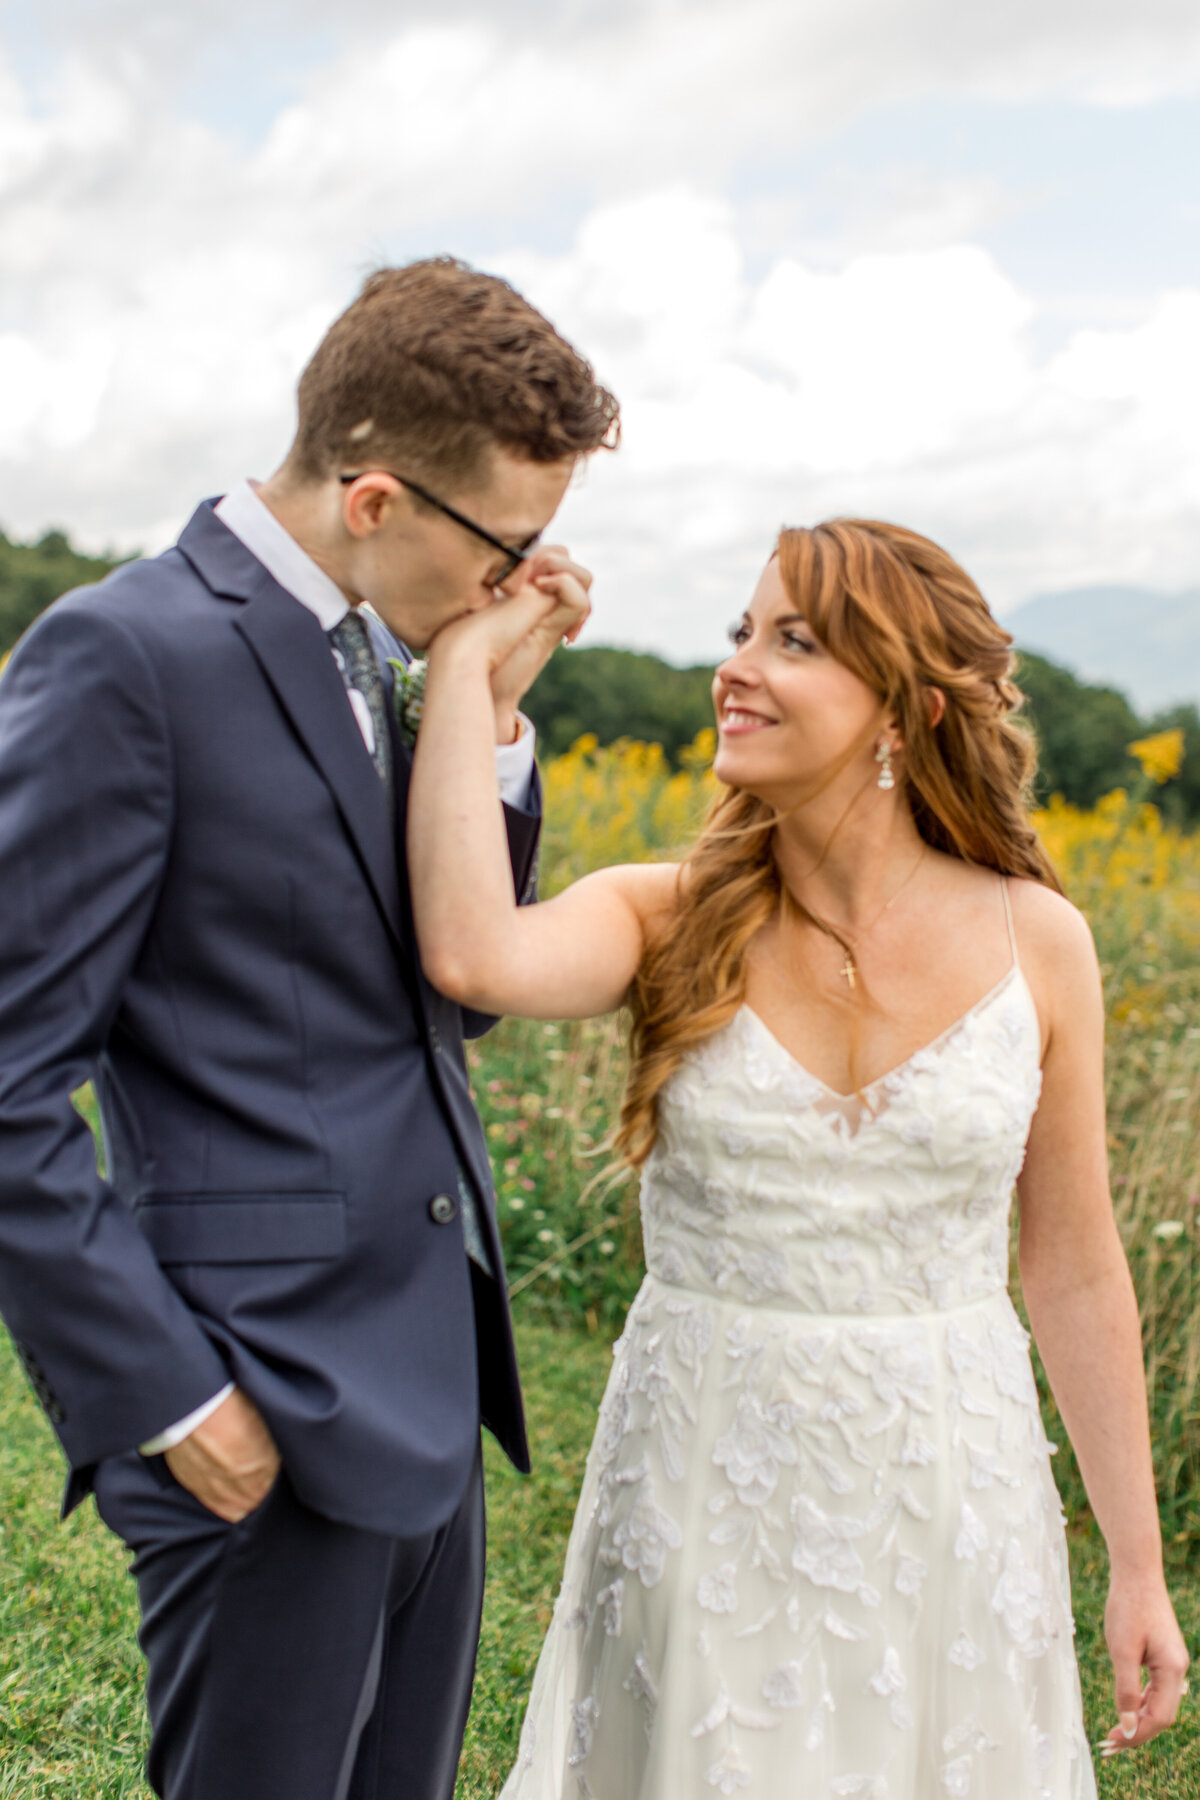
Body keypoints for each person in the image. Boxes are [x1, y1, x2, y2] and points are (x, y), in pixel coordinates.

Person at [406, 517, 1189, 1798]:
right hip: (703, 1472)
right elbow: (470, 958)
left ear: (906, 711)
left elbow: (1075, 1261)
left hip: (951, 1487)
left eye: (795, 640)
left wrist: (1141, 1568)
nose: (738, 666)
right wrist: (473, 687)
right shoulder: (657, 912)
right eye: (741, 632)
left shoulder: (1040, 941)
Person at [0, 257, 617, 1800]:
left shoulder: (395, 659)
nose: (523, 583)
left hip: (425, 1393)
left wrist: (492, 712)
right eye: (510, 548)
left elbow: (439, 996)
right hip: (253, 1406)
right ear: (375, 496)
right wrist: (169, 1399)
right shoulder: (125, 658)